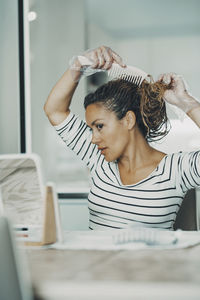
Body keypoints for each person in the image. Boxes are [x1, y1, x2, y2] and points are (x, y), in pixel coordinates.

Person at [44, 46, 200, 230]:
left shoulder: (176, 170)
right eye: (91, 129)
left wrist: (186, 102)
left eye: (99, 126)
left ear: (128, 120)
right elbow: (54, 109)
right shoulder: (97, 159)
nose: (93, 139)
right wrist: (79, 65)